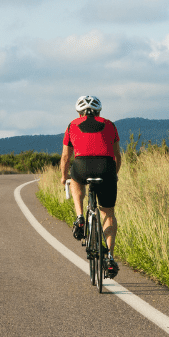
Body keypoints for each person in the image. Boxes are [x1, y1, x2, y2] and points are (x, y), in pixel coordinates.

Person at [60, 95, 122, 278]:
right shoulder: (110, 125)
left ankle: (80, 216)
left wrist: (64, 177)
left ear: (79, 112)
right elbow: (117, 156)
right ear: (99, 111)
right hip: (106, 169)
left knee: (75, 180)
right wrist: (114, 175)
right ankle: (109, 258)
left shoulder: (72, 125)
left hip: (82, 167)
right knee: (108, 213)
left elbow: (65, 158)